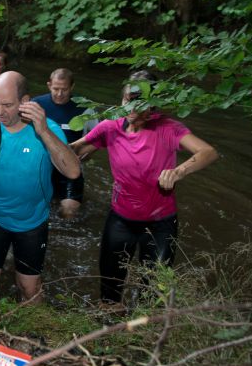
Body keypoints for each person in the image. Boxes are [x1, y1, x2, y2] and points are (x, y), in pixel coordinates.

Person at [70, 71, 218, 308]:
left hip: (160, 224)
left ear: (152, 103)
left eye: (140, 100)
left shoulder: (167, 128)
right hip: (120, 221)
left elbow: (208, 152)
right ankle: (110, 331)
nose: (132, 107)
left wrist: (178, 172)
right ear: (122, 99)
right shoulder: (110, 128)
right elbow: (73, 150)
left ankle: (145, 335)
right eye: (128, 99)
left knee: (154, 293)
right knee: (109, 290)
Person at [0, 71, 80, 302]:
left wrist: (43, 131)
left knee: (28, 288)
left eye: (7, 105)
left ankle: (32, 334)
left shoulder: (46, 129)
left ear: (25, 102)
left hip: (31, 222)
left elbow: (73, 171)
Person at [32, 68, 88, 219]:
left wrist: (85, 154)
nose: (59, 93)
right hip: (42, 163)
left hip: (69, 164)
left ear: (72, 87)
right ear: (49, 85)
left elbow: (95, 139)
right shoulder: (36, 105)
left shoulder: (85, 109)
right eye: (56, 89)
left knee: (68, 212)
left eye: (64, 89)